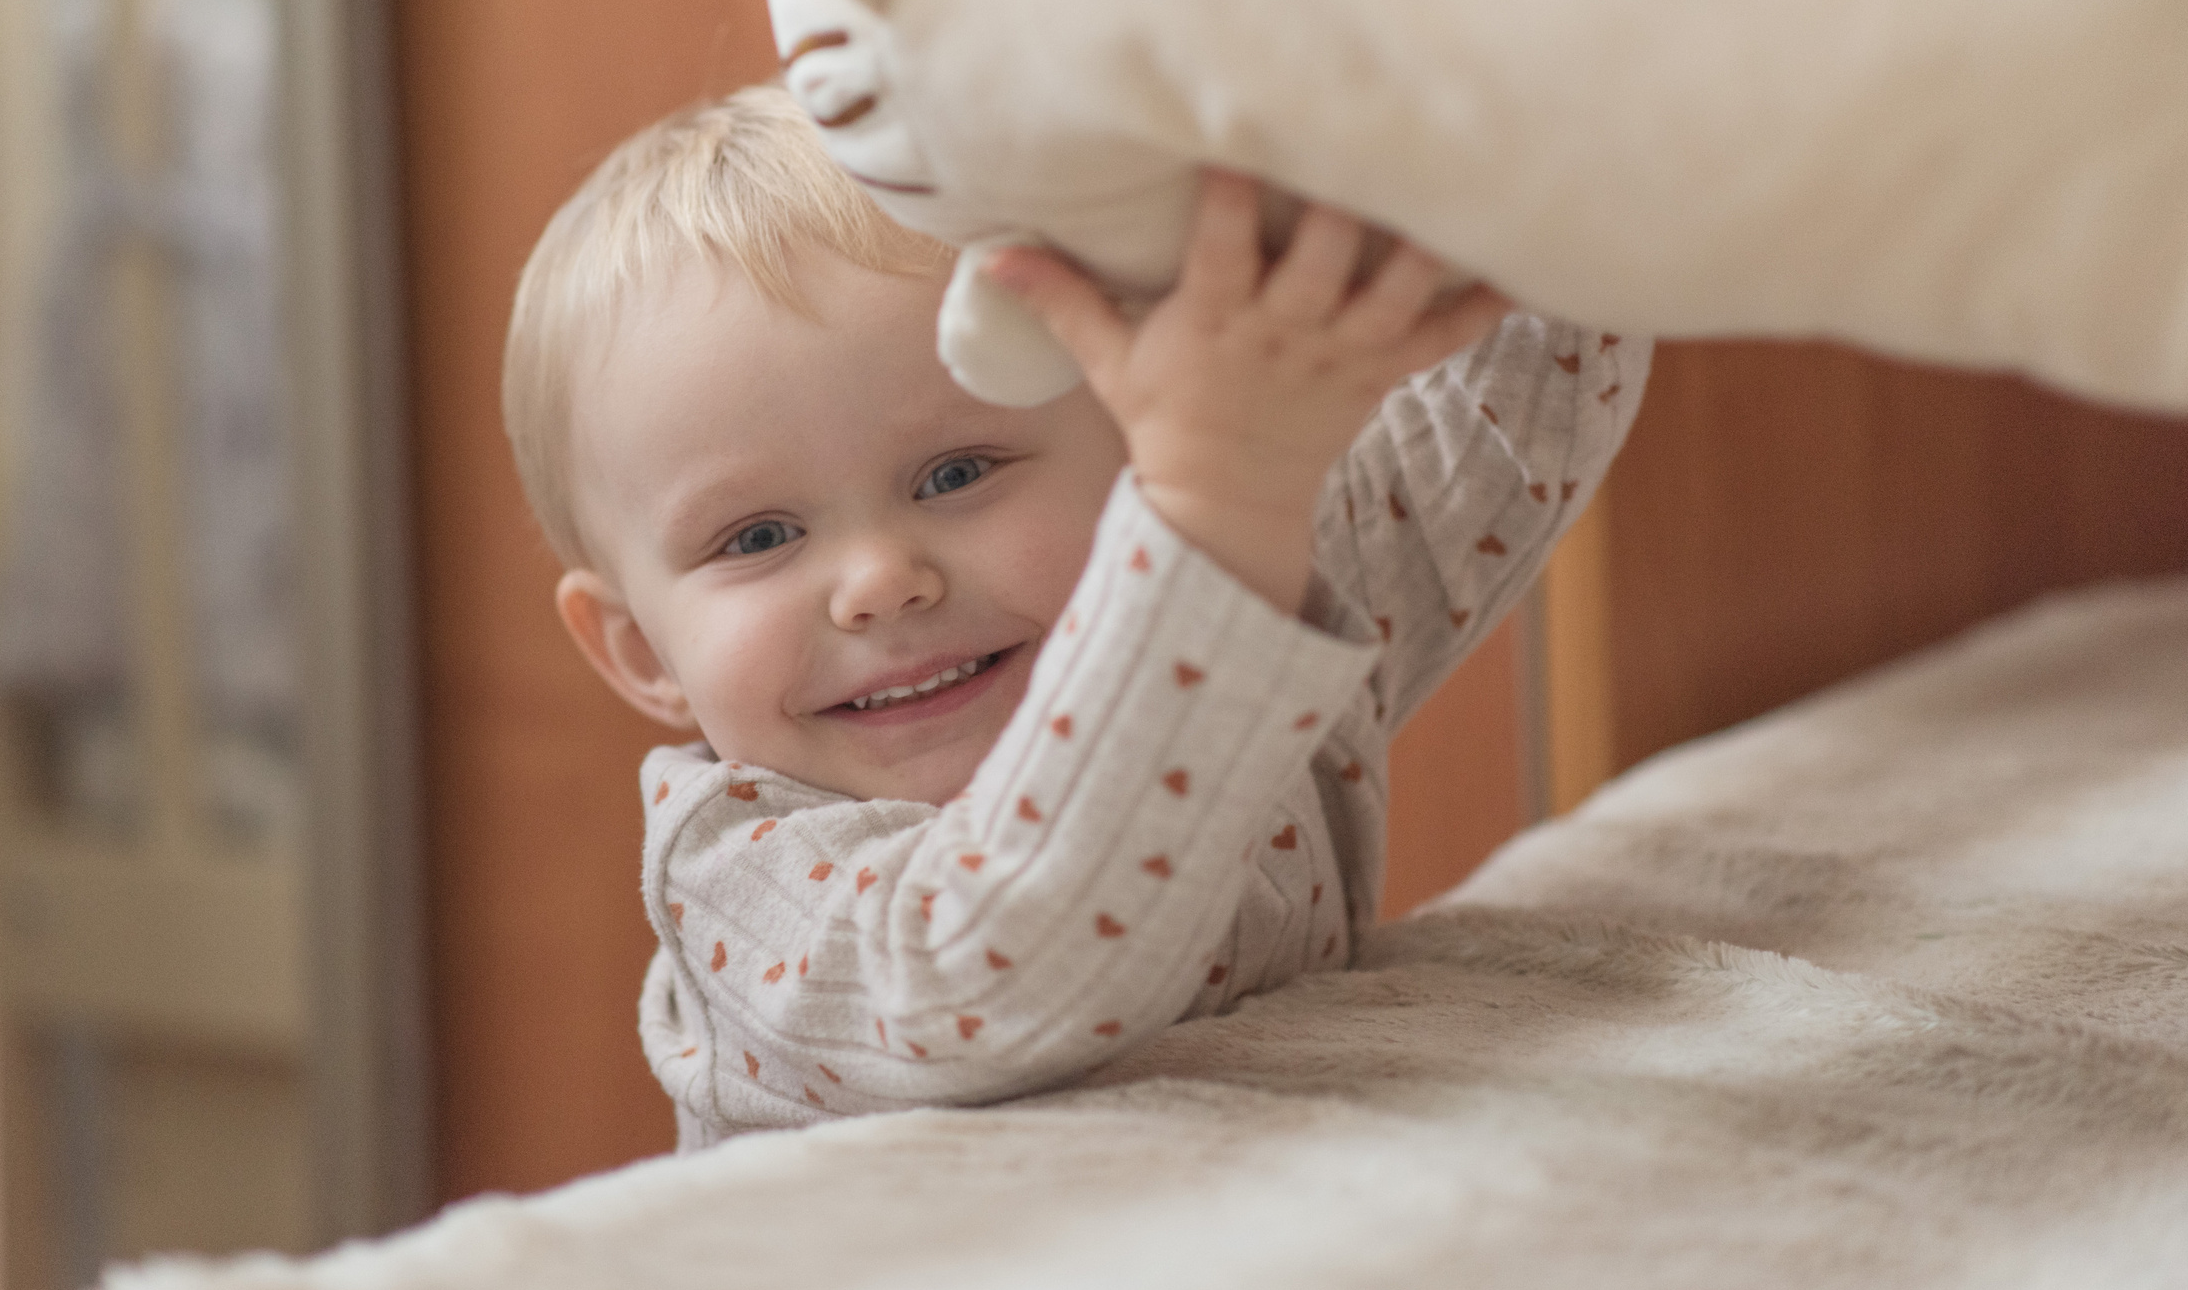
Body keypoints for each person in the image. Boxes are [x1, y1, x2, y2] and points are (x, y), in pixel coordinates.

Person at [503, 86, 1648, 1148]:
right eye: (756, 538)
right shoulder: (743, 871)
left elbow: (1500, 442)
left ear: (1132, 434)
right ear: (642, 650)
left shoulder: (1227, 603)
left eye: (957, 472)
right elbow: (982, 970)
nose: (879, 581)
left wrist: (1547, 120)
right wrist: (1211, 517)